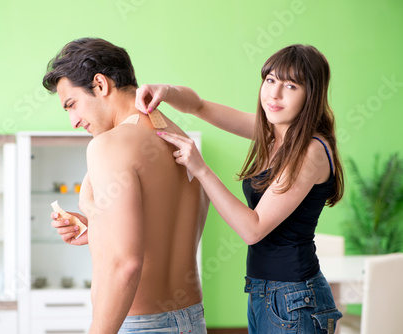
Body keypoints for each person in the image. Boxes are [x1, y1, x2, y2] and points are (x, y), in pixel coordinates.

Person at [136, 44, 344, 333]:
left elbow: (253, 229)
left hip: (294, 298)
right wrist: (166, 91)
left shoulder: (311, 151)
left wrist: (201, 169)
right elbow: (198, 106)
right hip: (267, 293)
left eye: (290, 85)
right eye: (270, 80)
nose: (274, 93)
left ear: (312, 95)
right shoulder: (271, 134)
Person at [43, 38, 210, 334]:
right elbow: (158, 230)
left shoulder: (108, 145)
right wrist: (97, 225)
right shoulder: (177, 135)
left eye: (72, 105)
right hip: (191, 319)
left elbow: (126, 264)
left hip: (140, 324)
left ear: (100, 84)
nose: (73, 121)